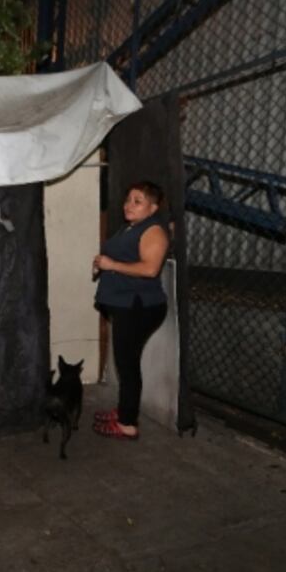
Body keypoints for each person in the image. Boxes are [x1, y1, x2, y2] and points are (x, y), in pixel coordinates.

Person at [91, 181, 170, 440]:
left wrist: (111, 264)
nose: (128, 205)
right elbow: (121, 258)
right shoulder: (132, 227)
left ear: (153, 207)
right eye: (128, 200)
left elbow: (149, 269)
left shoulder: (154, 231)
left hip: (138, 306)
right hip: (125, 304)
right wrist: (102, 264)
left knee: (127, 365)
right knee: (125, 363)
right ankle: (125, 410)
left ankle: (127, 424)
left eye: (137, 201)